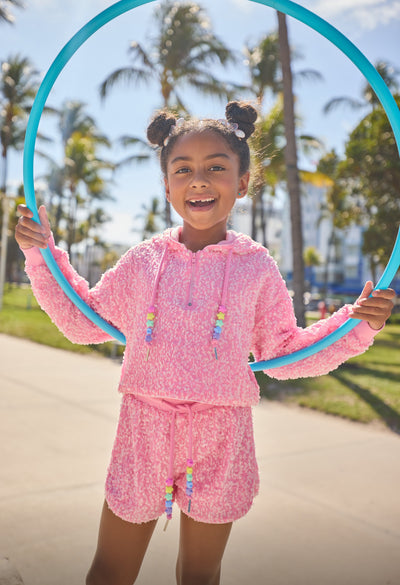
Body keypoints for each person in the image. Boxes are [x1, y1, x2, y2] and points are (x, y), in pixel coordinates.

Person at [15, 101, 395, 585]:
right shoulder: (145, 260)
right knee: (110, 570)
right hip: (143, 430)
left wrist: (356, 326)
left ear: (241, 183)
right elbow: (84, 320)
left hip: (222, 436)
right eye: (183, 169)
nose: (199, 180)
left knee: (199, 574)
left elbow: (283, 354)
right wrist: (40, 254)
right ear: (167, 184)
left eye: (216, 167)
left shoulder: (256, 267)